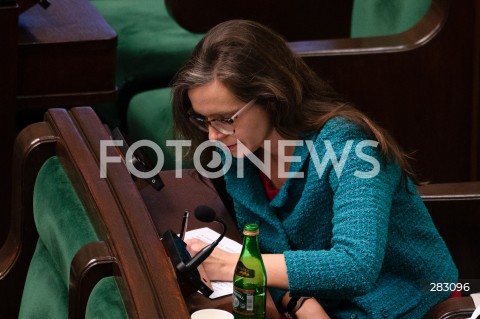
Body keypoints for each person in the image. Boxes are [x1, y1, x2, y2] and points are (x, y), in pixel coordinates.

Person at [171, 19, 458, 319]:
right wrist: (301, 304)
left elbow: (355, 266)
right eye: (203, 120)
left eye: (225, 119)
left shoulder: (351, 144)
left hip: (421, 305)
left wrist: (238, 264)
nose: (213, 136)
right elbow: (273, 255)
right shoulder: (240, 156)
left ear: (272, 97)